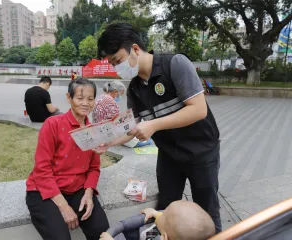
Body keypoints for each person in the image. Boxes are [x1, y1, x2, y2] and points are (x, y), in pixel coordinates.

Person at [96, 22, 221, 233]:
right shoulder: (134, 89)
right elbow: (131, 126)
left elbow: (198, 109)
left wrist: (153, 125)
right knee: (165, 209)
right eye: (113, 64)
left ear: (135, 49)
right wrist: (108, 141)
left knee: (205, 212)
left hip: (201, 152)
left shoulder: (175, 64)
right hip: (169, 155)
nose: (117, 68)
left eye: (118, 61)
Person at [26, 78, 110, 240]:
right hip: (44, 191)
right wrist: (64, 207)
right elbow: (42, 169)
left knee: (102, 232)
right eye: (79, 98)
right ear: (69, 98)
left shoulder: (94, 131)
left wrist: (89, 193)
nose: (85, 103)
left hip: (77, 189)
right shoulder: (53, 124)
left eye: (90, 99)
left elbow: (94, 168)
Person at [100, 200, 215, 240]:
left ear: (165, 237)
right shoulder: (169, 231)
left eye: (163, 216)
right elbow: (160, 217)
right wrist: (154, 213)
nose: (161, 213)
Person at [92, 81, 152, 148]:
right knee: (131, 131)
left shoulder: (100, 97)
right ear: (115, 91)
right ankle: (137, 142)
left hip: (97, 129)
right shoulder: (111, 102)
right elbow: (117, 123)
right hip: (106, 133)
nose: (120, 97)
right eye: (121, 94)